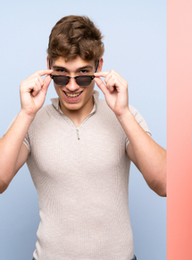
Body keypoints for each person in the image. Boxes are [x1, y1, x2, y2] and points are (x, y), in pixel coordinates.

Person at [0, 15, 166, 259]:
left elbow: (164, 184)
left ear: (99, 67)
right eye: (61, 74)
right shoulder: (31, 120)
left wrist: (122, 112)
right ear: (48, 65)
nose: (72, 86)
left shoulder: (124, 116)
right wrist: (26, 113)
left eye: (83, 74)